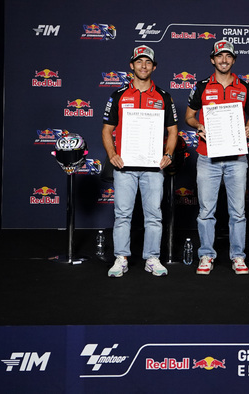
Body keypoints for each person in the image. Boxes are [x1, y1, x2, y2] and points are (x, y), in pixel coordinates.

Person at [102, 45, 178, 278]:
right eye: (139, 62)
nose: (143, 66)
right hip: (124, 166)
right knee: (123, 214)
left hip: (153, 167)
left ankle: (152, 257)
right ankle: (121, 257)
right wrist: (112, 154)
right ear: (131, 65)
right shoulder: (118, 95)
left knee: (154, 214)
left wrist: (168, 155)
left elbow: (173, 131)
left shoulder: (164, 96)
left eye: (148, 62)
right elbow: (107, 130)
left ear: (154, 67)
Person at [185, 40, 249, 275]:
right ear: (212, 59)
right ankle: (206, 254)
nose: (224, 60)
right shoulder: (202, 86)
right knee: (206, 210)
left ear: (233, 60)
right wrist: (198, 125)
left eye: (228, 56)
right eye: (220, 56)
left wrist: (247, 127)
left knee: (238, 211)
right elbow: (189, 116)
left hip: (237, 156)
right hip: (208, 157)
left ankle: (238, 256)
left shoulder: (245, 86)